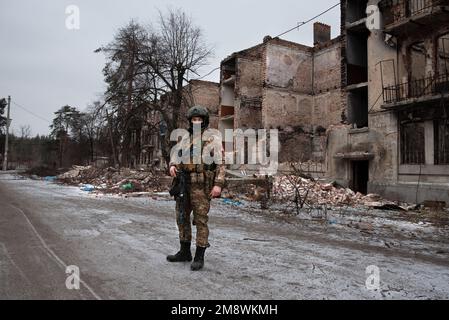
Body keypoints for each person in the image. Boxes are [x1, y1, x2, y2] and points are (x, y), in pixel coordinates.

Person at [167, 106, 225, 271]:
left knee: (200, 220)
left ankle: (199, 256)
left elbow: (221, 164)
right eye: (194, 119)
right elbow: (175, 156)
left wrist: (218, 185)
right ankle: (185, 252)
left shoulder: (212, 138)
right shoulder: (185, 139)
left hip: (201, 186)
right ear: (190, 121)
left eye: (200, 119)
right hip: (184, 183)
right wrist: (172, 166)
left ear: (204, 121)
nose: (197, 122)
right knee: (182, 217)